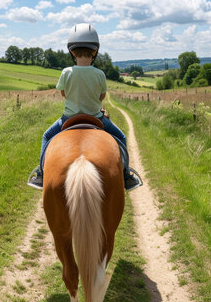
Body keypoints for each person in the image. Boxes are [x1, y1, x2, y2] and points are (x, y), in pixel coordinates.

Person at [27, 23, 141, 191]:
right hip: (96, 117)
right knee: (122, 138)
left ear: (72, 52)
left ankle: (41, 174)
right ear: (94, 52)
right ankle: (125, 175)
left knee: (46, 136)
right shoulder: (99, 74)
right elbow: (101, 97)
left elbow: (64, 94)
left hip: (68, 118)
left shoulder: (66, 72)